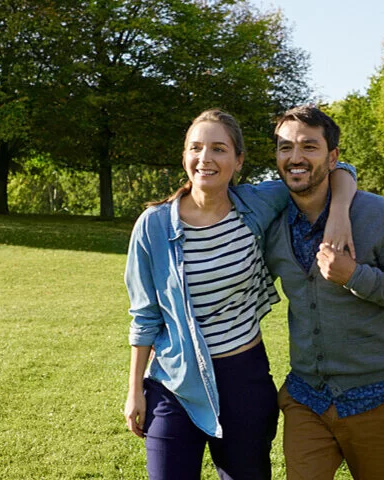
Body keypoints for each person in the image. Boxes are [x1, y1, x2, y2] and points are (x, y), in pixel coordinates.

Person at [123, 108, 358, 480]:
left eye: (219, 149)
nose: (205, 159)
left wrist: (340, 212)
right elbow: (145, 315)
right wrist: (135, 390)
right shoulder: (152, 226)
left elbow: (336, 170)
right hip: (173, 381)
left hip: (243, 376)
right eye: (196, 148)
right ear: (184, 156)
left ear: (238, 160)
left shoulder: (258, 203)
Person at [262, 104, 384, 480]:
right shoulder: (271, 217)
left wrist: (354, 276)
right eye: (285, 147)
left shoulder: (373, 212)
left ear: (333, 156)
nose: (295, 157)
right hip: (306, 397)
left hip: (377, 396)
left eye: (309, 147)